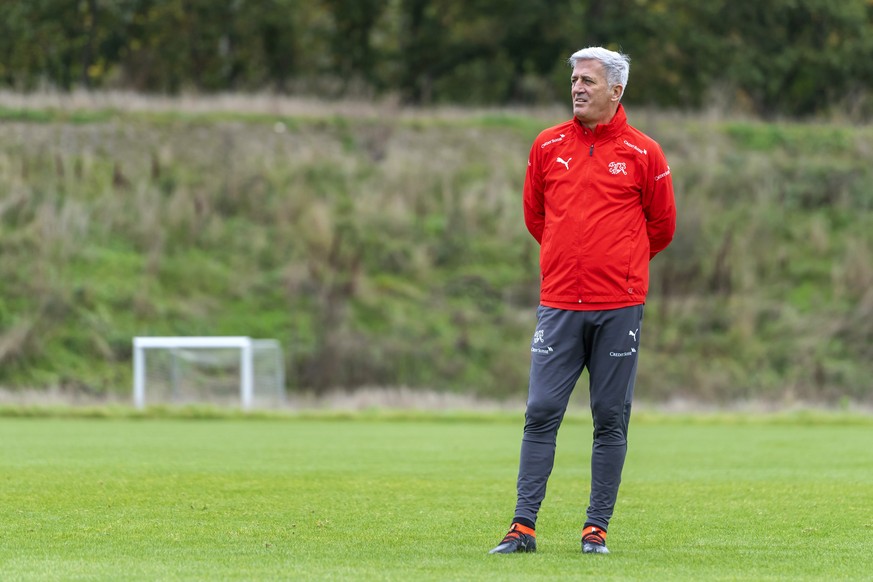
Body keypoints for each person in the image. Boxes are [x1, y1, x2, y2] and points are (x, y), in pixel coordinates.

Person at [489, 46, 676, 555]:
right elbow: (535, 217)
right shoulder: (547, 146)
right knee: (541, 409)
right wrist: (566, 260)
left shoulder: (645, 154)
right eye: (574, 79)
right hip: (559, 305)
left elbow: (661, 228)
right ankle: (522, 528)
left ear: (616, 90)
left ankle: (596, 530)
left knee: (610, 417)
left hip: (619, 306)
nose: (577, 88)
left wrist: (620, 267)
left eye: (588, 81)